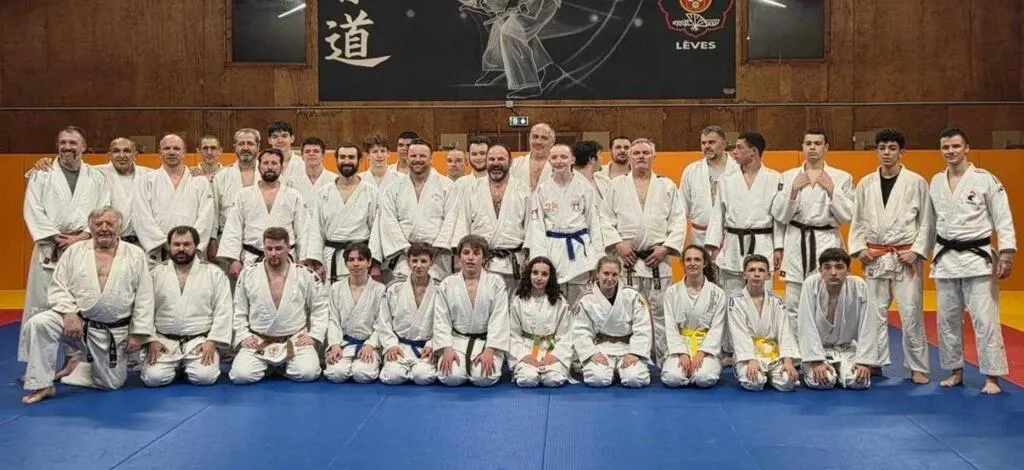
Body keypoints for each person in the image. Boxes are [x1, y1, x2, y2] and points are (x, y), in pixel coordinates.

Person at [20, 207, 154, 404]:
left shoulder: (135, 254)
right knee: (40, 323)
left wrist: (138, 333)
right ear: (90, 227)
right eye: (98, 224)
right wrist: (68, 312)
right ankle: (42, 384)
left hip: (111, 330)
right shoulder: (75, 251)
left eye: (110, 224)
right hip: (78, 324)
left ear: (120, 227)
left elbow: (145, 296)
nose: (104, 228)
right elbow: (58, 286)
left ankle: (79, 366)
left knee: (111, 383)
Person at [929, 128, 1016, 394]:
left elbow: (1003, 217)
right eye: (946, 147)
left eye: (956, 146)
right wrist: (924, 252)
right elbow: (930, 223)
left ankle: (992, 376)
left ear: (967, 148)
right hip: (946, 258)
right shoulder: (936, 181)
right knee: (947, 320)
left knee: (984, 320)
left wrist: (1007, 252)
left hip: (978, 259)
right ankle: (955, 370)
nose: (951, 151)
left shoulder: (985, 180)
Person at [848, 129, 933, 384]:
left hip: (905, 256)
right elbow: (857, 220)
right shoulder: (866, 183)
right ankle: (874, 362)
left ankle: (917, 367)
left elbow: (927, 221)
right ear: (876, 151)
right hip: (875, 256)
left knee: (911, 312)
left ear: (901, 152)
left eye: (892, 148)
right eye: (882, 148)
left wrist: (917, 251)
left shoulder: (916, 182)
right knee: (873, 313)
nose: (886, 153)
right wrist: (859, 249)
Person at [20, 126, 111, 364]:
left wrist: (82, 236)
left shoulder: (96, 177)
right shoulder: (41, 174)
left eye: (73, 143)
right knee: (42, 304)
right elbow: (32, 209)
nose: (67, 147)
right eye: (63, 142)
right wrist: (54, 236)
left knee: (78, 302)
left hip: (82, 245)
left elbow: (103, 209)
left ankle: (75, 359)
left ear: (84, 147)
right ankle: (38, 363)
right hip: (49, 247)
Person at [599, 138, 686, 363]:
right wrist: (618, 244)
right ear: (630, 156)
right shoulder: (616, 185)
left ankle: (665, 358)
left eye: (646, 153)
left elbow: (678, 220)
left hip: (658, 260)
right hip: (626, 260)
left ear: (654, 157)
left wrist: (666, 248)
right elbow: (604, 218)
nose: (641, 157)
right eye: (636, 153)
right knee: (626, 312)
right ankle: (629, 357)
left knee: (663, 313)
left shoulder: (667, 186)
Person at [229, 227, 329, 384]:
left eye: (278, 248)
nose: (273, 253)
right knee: (240, 376)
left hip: (294, 340)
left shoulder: (305, 274)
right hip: (260, 340)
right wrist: (243, 335)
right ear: (263, 248)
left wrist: (314, 336)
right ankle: (274, 367)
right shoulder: (248, 274)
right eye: (269, 249)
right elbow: (239, 310)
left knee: (308, 373)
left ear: (288, 248)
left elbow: (320, 308)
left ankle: (275, 368)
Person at [772, 128, 854, 319]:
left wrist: (832, 190)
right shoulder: (788, 176)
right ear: (803, 147)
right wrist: (793, 191)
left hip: (826, 239)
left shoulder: (841, 177)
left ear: (826, 147)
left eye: (817, 144)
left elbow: (848, 215)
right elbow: (780, 215)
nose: (812, 148)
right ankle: (795, 339)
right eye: (808, 144)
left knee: (825, 298)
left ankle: (824, 337)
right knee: (793, 302)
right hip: (796, 239)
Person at [141, 226, 233, 387]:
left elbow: (223, 310)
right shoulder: (155, 274)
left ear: (196, 246)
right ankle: (177, 366)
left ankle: (183, 366)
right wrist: (151, 339)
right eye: (176, 244)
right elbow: (144, 309)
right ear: (169, 246)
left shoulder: (214, 273)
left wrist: (212, 341)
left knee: (205, 377)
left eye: (186, 244)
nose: (181, 249)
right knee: (153, 379)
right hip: (164, 341)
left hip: (199, 342)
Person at [526, 143, 605, 306]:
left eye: (563, 157)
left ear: (572, 160)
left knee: (581, 302)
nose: (559, 161)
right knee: (554, 300)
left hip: (580, 251)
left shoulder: (584, 187)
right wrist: (539, 259)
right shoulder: (542, 189)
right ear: (549, 161)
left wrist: (597, 258)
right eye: (554, 157)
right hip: (553, 248)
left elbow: (594, 223)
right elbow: (537, 226)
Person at [705, 132, 784, 293]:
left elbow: (778, 217)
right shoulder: (727, 179)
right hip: (733, 245)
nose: (734, 151)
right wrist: (713, 245)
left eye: (740, 147)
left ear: (753, 151)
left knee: (762, 297)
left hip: (762, 243)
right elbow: (718, 214)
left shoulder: (775, 178)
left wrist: (778, 247)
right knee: (732, 297)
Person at [372, 139, 460, 281]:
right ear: (407, 158)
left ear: (431, 159)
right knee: (401, 291)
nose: (417, 160)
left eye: (422, 156)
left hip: (437, 257)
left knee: (435, 291)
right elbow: (388, 221)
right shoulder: (393, 188)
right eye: (413, 156)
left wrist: (435, 249)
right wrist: (407, 249)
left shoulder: (447, 186)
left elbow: (452, 219)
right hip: (403, 256)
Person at [218, 148, 313, 278]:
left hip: (286, 260)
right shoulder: (244, 195)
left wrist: (303, 260)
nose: (270, 167)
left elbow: (303, 230)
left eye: (274, 163)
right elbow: (233, 228)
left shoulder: (293, 195)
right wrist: (234, 259)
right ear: (259, 166)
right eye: (266, 163)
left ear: (281, 167)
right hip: (252, 258)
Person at [452, 143, 532, 292]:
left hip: (514, 264)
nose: (496, 163)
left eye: (501, 159)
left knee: (512, 304)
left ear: (510, 161)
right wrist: (459, 257)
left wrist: (529, 257)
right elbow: (463, 223)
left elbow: (531, 226)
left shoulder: (523, 190)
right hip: (480, 263)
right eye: (492, 159)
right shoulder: (472, 189)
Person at [434, 235, 511, 387]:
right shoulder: (447, 284)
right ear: (459, 257)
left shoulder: (496, 283)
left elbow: (499, 318)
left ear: (484, 258)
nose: (470, 258)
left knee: (484, 378)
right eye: (466, 253)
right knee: (450, 377)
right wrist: (447, 348)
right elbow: (441, 319)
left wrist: (490, 350)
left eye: (476, 253)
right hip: (456, 341)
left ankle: (487, 357)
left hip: (486, 341)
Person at [797, 248, 878, 390]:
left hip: (846, 349)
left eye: (839, 267)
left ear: (849, 270)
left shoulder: (859, 286)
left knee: (858, 382)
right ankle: (828, 370)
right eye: (827, 267)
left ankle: (842, 372)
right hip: (818, 349)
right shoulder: (811, 284)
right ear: (820, 271)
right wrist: (816, 360)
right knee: (823, 382)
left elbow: (868, 324)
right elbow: (806, 323)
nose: (833, 272)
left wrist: (864, 361)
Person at [132, 133, 215, 263]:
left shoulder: (199, 181)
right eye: (166, 148)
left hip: (191, 251)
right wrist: (164, 243)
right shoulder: (146, 181)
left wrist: (188, 244)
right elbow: (141, 215)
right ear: (160, 153)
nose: (171, 152)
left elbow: (206, 216)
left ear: (184, 153)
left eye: (176, 148)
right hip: (158, 252)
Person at [572, 256, 653, 388]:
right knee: (597, 379)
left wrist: (635, 352)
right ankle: (614, 372)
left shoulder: (632, 295)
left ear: (619, 275)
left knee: (635, 379)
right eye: (606, 273)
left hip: (628, 348)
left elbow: (643, 327)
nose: (610, 278)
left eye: (614, 274)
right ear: (597, 273)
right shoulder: (587, 299)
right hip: (601, 348)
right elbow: (581, 330)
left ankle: (619, 371)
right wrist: (591, 353)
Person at [306, 143, 380, 284]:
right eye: (342, 157)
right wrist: (317, 261)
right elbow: (316, 229)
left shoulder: (371, 192)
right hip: (331, 259)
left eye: (351, 157)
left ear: (360, 160)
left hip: (361, 259)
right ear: (337, 160)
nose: (346, 161)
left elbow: (376, 230)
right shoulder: (324, 192)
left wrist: (375, 262)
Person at [727, 254, 800, 392]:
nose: (756, 274)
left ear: (768, 276)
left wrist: (787, 360)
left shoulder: (777, 301)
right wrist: (750, 359)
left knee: (788, 382)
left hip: (772, 354)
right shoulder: (735, 301)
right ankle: (758, 374)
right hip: (749, 354)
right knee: (754, 382)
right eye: (752, 270)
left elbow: (785, 331)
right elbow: (739, 334)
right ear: (744, 275)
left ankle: (771, 375)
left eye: (761, 270)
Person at [661, 246, 727, 388]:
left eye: (697, 260)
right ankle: (686, 371)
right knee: (672, 378)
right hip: (681, 343)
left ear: (704, 263)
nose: (692, 263)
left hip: (705, 346)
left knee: (704, 378)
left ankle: (699, 370)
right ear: (682, 263)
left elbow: (717, 328)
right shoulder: (671, 292)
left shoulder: (718, 293)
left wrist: (702, 353)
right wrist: (682, 353)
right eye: (688, 260)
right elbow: (670, 327)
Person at [376, 244, 440, 385]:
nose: (418, 265)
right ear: (408, 262)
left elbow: (444, 323)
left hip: (425, 348)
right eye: (414, 261)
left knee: (423, 377)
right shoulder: (394, 288)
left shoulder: (440, 289)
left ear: (431, 262)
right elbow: (384, 321)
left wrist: (432, 345)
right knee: (393, 377)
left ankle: (417, 368)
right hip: (400, 347)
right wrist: (391, 345)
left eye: (423, 261)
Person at [324, 244, 386, 383]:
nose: (356, 264)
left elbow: (382, 323)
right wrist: (335, 344)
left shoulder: (379, 289)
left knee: (362, 374)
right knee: (336, 374)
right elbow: (333, 320)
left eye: (360, 259)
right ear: (345, 263)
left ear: (369, 262)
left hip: (369, 345)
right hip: (343, 343)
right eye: (351, 260)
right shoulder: (336, 288)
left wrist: (371, 345)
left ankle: (367, 360)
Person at [509, 257, 571, 387]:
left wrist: (555, 355)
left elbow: (565, 334)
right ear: (529, 274)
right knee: (528, 379)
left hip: (552, 348)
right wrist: (524, 355)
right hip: (526, 347)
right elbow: (512, 334)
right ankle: (527, 367)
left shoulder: (559, 301)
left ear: (550, 277)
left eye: (544, 274)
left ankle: (552, 367)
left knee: (553, 380)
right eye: (535, 272)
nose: (539, 278)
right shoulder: (518, 300)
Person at [680, 126, 738, 247]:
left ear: (724, 144)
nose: (706, 146)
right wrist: (680, 240)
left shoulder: (738, 168)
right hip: (700, 236)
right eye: (703, 143)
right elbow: (681, 209)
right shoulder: (692, 171)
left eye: (711, 142)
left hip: (732, 235)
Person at [210, 129, 261, 267]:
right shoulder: (221, 176)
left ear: (258, 147)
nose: (245, 147)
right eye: (241, 143)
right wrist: (212, 241)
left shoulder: (269, 175)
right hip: (228, 240)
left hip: (260, 241)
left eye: (250, 143)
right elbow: (214, 212)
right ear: (235, 147)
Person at [284, 136, 338, 206]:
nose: (311, 154)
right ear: (302, 156)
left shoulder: (334, 180)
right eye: (307, 151)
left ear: (323, 156)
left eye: (316, 151)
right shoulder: (292, 182)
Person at [509, 123, 555, 191]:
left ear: (552, 142)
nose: (538, 142)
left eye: (544, 138)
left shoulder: (559, 166)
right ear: (529, 139)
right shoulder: (515, 164)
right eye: (535, 137)